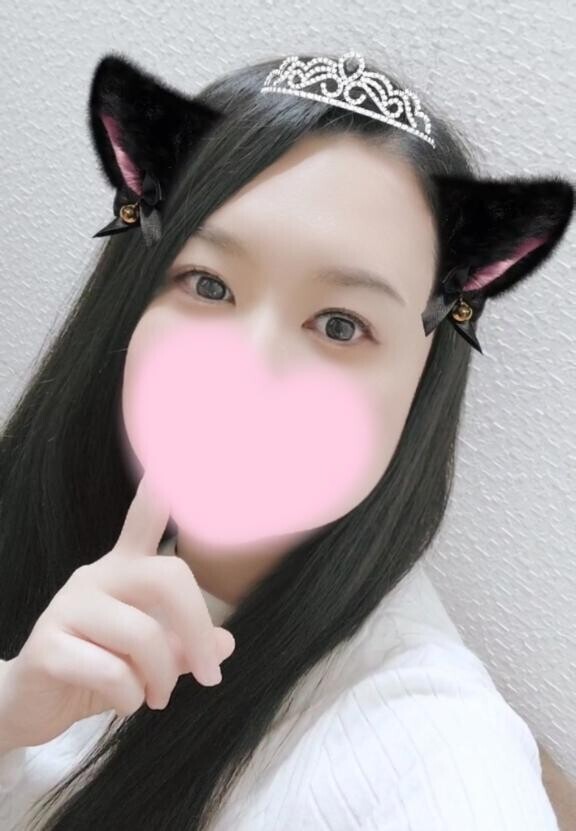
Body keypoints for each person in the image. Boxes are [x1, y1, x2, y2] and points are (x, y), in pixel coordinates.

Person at [0, 49, 573, 830]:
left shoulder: (436, 751)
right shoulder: (52, 549)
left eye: (339, 324)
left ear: (421, 383)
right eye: (209, 284)